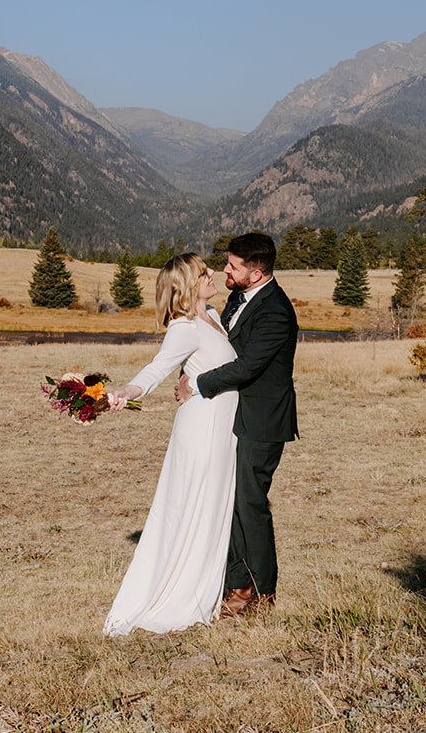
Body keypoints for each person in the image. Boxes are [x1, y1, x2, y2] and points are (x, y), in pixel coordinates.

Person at [102, 253, 239, 636]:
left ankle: (207, 583)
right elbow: (158, 368)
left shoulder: (211, 314)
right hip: (203, 429)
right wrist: (126, 392)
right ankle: (184, 594)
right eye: (204, 273)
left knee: (211, 506)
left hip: (221, 426)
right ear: (186, 286)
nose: (213, 274)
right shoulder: (183, 326)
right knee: (197, 505)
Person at [175, 231, 298, 618]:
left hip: (261, 422)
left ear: (257, 272)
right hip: (228, 417)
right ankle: (234, 581)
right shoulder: (235, 298)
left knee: (250, 503)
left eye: (233, 266)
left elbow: (247, 366)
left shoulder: (276, 311)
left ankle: (259, 591)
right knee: (230, 501)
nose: (225, 269)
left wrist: (196, 384)